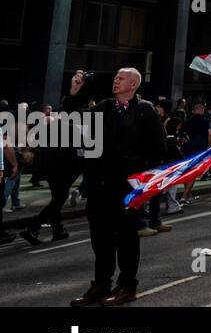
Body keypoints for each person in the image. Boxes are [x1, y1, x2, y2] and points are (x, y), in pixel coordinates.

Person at [70, 68, 166, 306]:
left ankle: (126, 287)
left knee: (126, 239)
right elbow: (75, 121)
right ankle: (101, 285)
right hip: (99, 185)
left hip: (127, 188)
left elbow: (159, 149)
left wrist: (142, 181)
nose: (116, 81)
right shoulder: (104, 106)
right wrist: (74, 94)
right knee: (100, 239)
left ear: (133, 84)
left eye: (121, 78)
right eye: (115, 78)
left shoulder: (145, 111)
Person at [21, 102, 81, 244]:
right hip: (61, 169)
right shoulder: (54, 124)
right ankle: (34, 227)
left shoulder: (38, 128)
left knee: (57, 199)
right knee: (59, 199)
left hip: (49, 169)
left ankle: (57, 230)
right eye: (49, 111)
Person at [178, 102, 211, 205]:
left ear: (193, 111)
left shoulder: (187, 121)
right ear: (202, 111)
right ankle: (184, 196)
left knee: (187, 171)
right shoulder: (206, 122)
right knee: (194, 172)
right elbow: (210, 134)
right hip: (199, 149)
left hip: (187, 149)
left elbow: (181, 135)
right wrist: (208, 147)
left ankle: (188, 194)